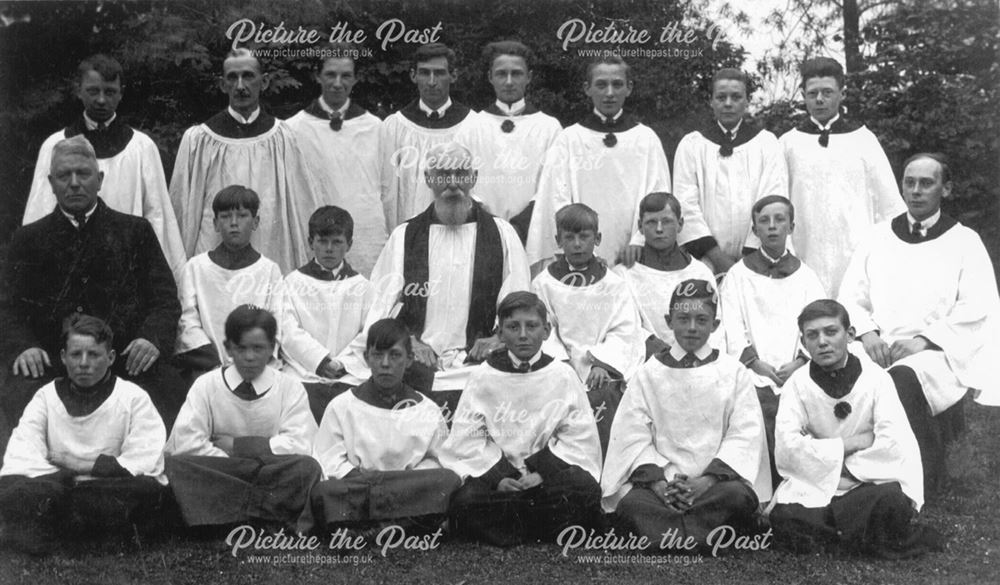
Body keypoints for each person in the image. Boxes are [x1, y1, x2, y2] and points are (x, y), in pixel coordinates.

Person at [0, 136, 182, 451]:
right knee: (19, 396)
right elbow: (8, 309)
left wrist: (150, 338)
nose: (74, 183)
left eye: (83, 174)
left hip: (124, 359)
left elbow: (165, 300)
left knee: (168, 392)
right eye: (63, 176)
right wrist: (24, 346)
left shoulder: (135, 231)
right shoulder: (27, 239)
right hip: (54, 363)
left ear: (99, 180)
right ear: (50, 183)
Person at [838, 153, 1000, 494]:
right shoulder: (877, 237)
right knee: (844, 369)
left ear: (946, 188)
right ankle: (853, 467)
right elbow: (851, 295)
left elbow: (977, 305)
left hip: (936, 352)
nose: (915, 191)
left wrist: (924, 340)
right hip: (879, 345)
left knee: (904, 377)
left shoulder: (964, 241)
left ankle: (923, 472)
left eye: (926, 183)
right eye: (909, 182)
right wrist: (867, 334)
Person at [601, 279, 771, 550]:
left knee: (735, 497)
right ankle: (706, 533)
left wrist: (705, 482)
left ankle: (664, 534)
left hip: (714, 485)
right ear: (669, 321)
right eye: (683, 319)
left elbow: (744, 433)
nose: (692, 328)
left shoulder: (734, 372)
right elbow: (632, 434)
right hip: (660, 485)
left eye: (701, 320)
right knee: (633, 502)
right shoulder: (648, 373)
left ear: (715, 325)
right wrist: (659, 485)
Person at [366, 141, 530, 413]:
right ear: (429, 179)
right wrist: (408, 342)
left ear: (473, 178)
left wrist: (498, 337)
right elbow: (379, 307)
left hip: (479, 361)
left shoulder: (501, 233)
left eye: (461, 174)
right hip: (418, 362)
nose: (452, 183)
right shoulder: (405, 236)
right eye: (443, 174)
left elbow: (520, 299)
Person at [770, 300, 942, 557]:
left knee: (890, 501)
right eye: (812, 335)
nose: (822, 342)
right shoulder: (796, 385)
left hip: (867, 481)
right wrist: (849, 444)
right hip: (819, 483)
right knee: (786, 514)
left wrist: (846, 469)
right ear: (803, 343)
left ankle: (835, 534)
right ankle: (860, 535)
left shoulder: (876, 379)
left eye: (831, 331)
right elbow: (788, 447)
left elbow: (892, 442)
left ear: (850, 335)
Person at [441, 292, 602, 547]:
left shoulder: (563, 375)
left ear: (547, 330)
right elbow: (469, 438)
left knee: (584, 489)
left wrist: (541, 474)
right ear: (501, 333)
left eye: (532, 326)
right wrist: (500, 478)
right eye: (513, 327)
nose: (523, 335)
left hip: (547, 480)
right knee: (465, 500)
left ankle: (509, 525)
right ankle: (543, 526)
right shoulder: (483, 377)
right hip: (500, 481)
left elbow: (577, 436)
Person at [0, 315, 167, 554]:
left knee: (146, 490)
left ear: (110, 358)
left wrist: (84, 465)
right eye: (76, 354)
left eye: (94, 355)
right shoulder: (46, 397)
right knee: (16, 489)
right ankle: (84, 532)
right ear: (63, 357)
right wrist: (65, 476)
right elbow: (23, 452)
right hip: (58, 485)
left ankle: (60, 531)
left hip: (109, 485)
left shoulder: (132, 397)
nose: (84, 363)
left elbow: (145, 457)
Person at [23, 54, 186, 279]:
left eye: (109, 91)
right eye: (93, 91)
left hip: (125, 270)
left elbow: (157, 216)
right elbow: (39, 213)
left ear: (121, 93)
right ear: (78, 90)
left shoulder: (141, 147)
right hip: (66, 269)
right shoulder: (54, 145)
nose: (101, 100)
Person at [164, 305, 320, 531]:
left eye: (258, 348)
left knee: (307, 468)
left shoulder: (289, 387)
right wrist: (235, 464)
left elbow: (300, 442)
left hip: (267, 471)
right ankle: (266, 514)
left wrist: (239, 446)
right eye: (241, 348)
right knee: (176, 465)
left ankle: (223, 516)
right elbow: (187, 442)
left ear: (272, 349)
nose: (249, 357)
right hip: (222, 469)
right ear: (228, 348)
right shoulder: (206, 385)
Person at [169, 48, 323, 274]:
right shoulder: (199, 140)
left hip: (271, 245)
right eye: (232, 77)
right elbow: (182, 207)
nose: (241, 86)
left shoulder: (283, 137)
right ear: (223, 84)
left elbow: (301, 204)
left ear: (264, 81)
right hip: (212, 250)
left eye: (249, 76)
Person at [309, 319, 460, 533]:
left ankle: (370, 527)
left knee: (448, 480)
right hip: (361, 485)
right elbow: (328, 457)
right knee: (324, 492)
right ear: (366, 359)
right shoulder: (342, 405)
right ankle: (404, 525)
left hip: (406, 485)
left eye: (395, 355)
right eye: (378, 355)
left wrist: (401, 482)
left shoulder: (427, 410)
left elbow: (440, 458)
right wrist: (361, 479)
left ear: (409, 360)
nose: (386, 363)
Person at [526, 55, 670, 269]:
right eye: (601, 85)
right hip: (580, 257)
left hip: (633, 258)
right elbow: (557, 198)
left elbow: (658, 196)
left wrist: (639, 241)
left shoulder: (646, 139)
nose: (609, 93)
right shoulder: (569, 139)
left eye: (617, 85)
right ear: (587, 88)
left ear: (629, 88)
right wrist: (585, 248)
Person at [719, 195, 825, 486]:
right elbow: (731, 324)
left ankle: (800, 484)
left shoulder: (806, 277)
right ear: (755, 230)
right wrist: (756, 364)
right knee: (758, 410)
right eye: (764, 221)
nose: (772, 227)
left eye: (780, 220)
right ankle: (761, 488)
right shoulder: (738, 276)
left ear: (791, 226)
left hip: (797, 369)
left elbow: (818, 321)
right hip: (756, 371)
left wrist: (800, 360)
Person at [780, 57, 904, 294]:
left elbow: (889, 205)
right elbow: (777, 203)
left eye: (827, 92)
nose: (819, 99)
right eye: (813, 92)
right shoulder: (788, 143)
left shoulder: (863, 140)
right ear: (803, 94)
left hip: (855, 254)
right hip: (804, 254)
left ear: (842, 94)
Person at [530, 203, 643, 455]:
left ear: (597, 238)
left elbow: (624, 329)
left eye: (584, 236)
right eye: (569, 237)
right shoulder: (544, 284)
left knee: (605, 406)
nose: (577, 244)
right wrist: (562, 364)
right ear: (558, 240)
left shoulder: (614, 284)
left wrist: (602, 363)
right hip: (559, 370)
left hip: (601, 374)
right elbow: (544, 329)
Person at [672, 68, 787, 274]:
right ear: (711, 101)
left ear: (746, 101)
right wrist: (717, 258)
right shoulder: (692, 144)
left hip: (757, 261)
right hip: (705, 261)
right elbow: (685, 203)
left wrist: (750, 258)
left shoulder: (766, 143)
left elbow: (773, 196)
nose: (728, 103)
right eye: (721, 97)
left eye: (736, 97)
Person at [285, 46, 387, 276]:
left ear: (356, 79)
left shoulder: (374, 127)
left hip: (363, 238)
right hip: (316, 236)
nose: (338, 83)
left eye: (346, 76)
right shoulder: (293, 129)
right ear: (318, 76)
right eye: (331, 74)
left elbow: (385, 188)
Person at [454, 40, 562, 241]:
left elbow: (554, 184)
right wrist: (487, 220)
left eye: (517, 73)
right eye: (502, 74)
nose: (509, 81)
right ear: (490, 77)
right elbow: (460, 180)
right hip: (482, 230)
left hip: (532, 232)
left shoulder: (549, 128)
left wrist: (523, 223)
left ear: (529, 77)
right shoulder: (471, 127)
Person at [174, 185, 283, 379]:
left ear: (255, 221)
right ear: (215, 223)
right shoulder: (196, 267)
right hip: (208, 367)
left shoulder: (269, 270)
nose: (234, 223)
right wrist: (214, 362)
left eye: (242, 216)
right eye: (225, 216)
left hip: (257, 368)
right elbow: (187, 321)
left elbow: (277, 321)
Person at [278, 206, 373, 423]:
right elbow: (288, 329)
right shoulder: (292, 283)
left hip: (349, 373)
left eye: (337, 242)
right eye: (322, 241)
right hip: (303, 371)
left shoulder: (363, 286)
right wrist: (320, 361)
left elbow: (369, 332)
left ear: (349, 244)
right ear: (311, 242)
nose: (329, 249)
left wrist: (340, 364)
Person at [380, 43, 479, 229]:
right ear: (413, 76)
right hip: (411, 232)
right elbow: (388, 193)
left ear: (453, 75)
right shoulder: (395, 127)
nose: (432, 81)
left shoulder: (474, 125)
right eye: (424, 73)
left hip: (462, 228)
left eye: (440, 73)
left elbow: (480, 187)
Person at [614, 192, 717, 356]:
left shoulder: (701, 272)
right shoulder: (623, 275)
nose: (659, 229)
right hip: (647, 363)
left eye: (667, 222)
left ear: (680, 224)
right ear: (640, 226)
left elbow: (715, 326)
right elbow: (625, 327)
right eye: (651, 222)